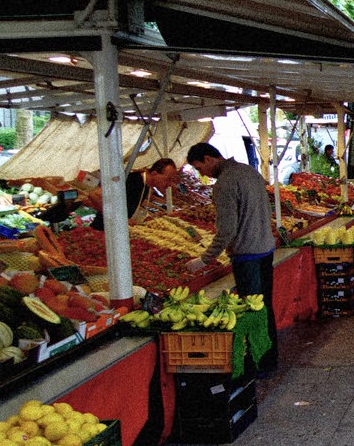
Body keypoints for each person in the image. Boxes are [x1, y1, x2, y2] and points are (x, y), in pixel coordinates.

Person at [184, 143, 278, 375]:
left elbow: (227, 230)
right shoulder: (249, 171)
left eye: (200, 168)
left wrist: (205, 259)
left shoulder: (224, 183)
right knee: (264, 308)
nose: (202, 174)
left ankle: (260, 363)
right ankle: (270, 358)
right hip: (265, 248)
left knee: (251, 312)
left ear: (208, 159)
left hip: (247, 255)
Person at [88, 158, 181, 230]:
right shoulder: (132, 179)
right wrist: (121, 220)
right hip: (101, 232)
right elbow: (94, 195)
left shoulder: (145, 187)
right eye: (168, 179)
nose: (169, 184)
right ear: (154, 173)